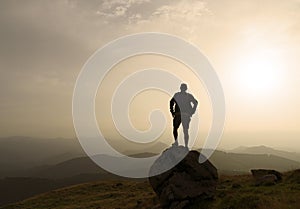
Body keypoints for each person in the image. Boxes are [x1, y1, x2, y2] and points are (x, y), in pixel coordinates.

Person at [170, 83, 198, 148]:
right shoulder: (188, 96)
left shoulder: (177, 95)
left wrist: (172, 112)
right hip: (185, 115)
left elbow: (171, 102)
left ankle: (177, 143)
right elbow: (195, 102)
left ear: (181, 88)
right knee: (185, 130)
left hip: (178, 114)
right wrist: (192, 112)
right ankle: (186, 146)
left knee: (176, 129)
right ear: (186, 88)